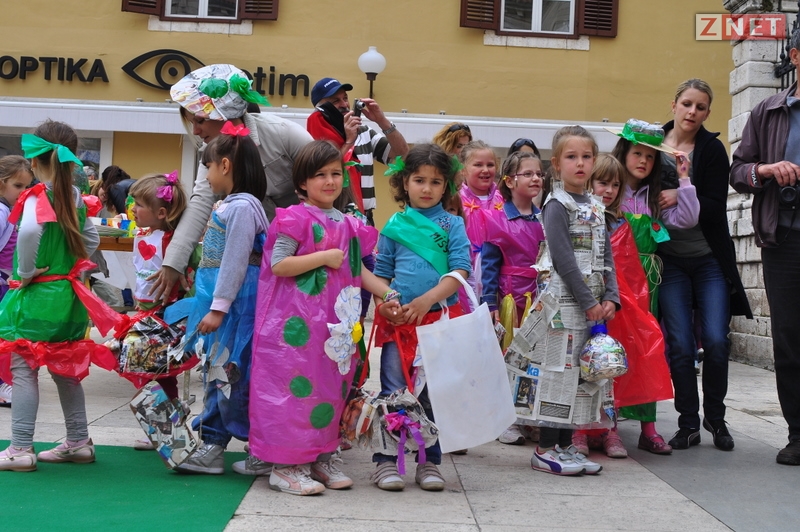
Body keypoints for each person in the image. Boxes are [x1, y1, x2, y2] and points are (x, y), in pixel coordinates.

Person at [248, 140, 396, 496]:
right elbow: (279, 264)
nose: (330, 181)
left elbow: (358, 269)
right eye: (320, 175)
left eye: (335, 174)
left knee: (331, 389)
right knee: (293, 392)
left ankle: (320, 456)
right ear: (302, 182)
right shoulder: (294, 218)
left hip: (333, 329)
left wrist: (387, 293)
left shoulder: (348, 224)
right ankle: (286, 466)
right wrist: (324, 257)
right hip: (293, 330)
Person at [0, 120, 123, 472]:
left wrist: (26, 272)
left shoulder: (38, 196)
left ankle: (20, 448)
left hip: (38, 293)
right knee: (64, 369)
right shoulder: (75, 197)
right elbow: (92, 239)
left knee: (24, 368)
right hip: (69, 296)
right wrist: (74, 266)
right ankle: (79, 441)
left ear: (34, 160)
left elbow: (28, 233)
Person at [148, 64, 312, 305]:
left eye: (200, 120)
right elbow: (200, 203)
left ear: (224, 112)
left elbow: (328, 181)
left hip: (308, 248)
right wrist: (173, 262)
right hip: (262, 259)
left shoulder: (284, 134)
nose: (195, 130)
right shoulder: (210, 154)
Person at [657, 80, 752, 452]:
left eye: (700, 107)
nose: (692, 112)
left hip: (709, 259)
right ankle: (687, 423)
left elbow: (714, 205)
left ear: (708, 113)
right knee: (680, 344)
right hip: (669, 261)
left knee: (715, 340)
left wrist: (680, 192)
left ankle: (715, 416)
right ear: (674, 105)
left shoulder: (711, 150)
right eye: (686, 104)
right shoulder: (652, 143)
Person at [369, 143, 471, 491]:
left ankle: (429, 463)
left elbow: (460, 271)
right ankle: (386, 462)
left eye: (435, 182)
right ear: (404, 183)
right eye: (419, 180)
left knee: (433, 395)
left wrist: (427, 300)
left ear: (446, 187)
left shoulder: (453, 225)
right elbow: (381, 276)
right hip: (399, 325)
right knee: (394, 392)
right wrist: (383, 305)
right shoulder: (393, 226)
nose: (427, 188)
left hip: (438, 323)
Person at [174, 121, 270, 475]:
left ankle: (252, 447)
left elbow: (235, 260)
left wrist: (219, 308)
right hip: (228, 306)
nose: (207, 175)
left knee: (231, 373)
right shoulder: (232, 205)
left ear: (225, 165)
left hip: (236, 308)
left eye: (208, 167)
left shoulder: (242, 207)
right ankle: (214, 442)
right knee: (219, 372)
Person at [729, 28, 800, 465]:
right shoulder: (768, 110)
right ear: (795, 55)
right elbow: (738, 172)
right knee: (789, 340)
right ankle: (798, 435)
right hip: (784, 238)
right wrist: (768, 170)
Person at [529, 125, 617, 476]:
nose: (579, 163)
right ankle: (545, 448)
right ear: (556, 164)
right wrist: (587, 301)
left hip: (590, 307)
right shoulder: (556, 204)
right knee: (557, 375)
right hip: (564, 306)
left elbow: (606, 255)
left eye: (586, 156)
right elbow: (563, 259)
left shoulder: (596, 205)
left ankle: (566, 446)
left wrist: (611, 297)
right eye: (571, 157)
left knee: (579, 378)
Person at [611, 118, 698, 454]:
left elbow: (687, 219)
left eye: (650, 156)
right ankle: (608, 426)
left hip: (648, 283)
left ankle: (649, 428)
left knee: (648, 350)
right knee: (613, 349)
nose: (644, 161)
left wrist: (684, 179)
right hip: (617, 281)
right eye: (637, 153)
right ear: (623, 153)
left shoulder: (655, 198)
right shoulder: (610, 193)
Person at [110, 172, 191, 450]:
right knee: (149, 371)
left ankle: (168, 425)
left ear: (161, 213)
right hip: (144, 312)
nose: (133, 208)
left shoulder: (172, 241)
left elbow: (182, 276)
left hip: (163, 314)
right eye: (132, 202)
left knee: (160, 372)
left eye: (140, 205)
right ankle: (168, 419)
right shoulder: (142, 233)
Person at [477, 151, 545, 446]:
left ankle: (528, 417)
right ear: (509, 181)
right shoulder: (496, 220)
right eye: (528, 173)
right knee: (508, 358)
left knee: (534, 361)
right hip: (510, 300)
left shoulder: (546, 219)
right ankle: (505, 420)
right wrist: (491, 303)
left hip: (539, 298)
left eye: (539, 174)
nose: (535, 178)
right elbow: (489, 266)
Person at [572, 155, 631, 459]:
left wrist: (612, 298)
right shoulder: (577, 214)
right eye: (602, 182)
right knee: (581, 368)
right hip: (580, 301)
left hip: (608, 306)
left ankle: (610, 430)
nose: (608, 190)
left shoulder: (620, 221)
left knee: (607, 367)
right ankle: (580, 430)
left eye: (615, 185)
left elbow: (613, 266)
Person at [309, 77, 409, 224]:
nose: (344, 104)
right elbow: (327, 172)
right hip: (329, 218)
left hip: (364, 218)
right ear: (321, 108)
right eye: (335, 101)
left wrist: (382, 121)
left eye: (345, 98)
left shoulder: (363, 131)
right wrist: (349, 141)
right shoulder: (312, 136)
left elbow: (402, 154)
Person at [0, 156, 34, 407]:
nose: (23, 192)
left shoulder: (9, 211)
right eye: (17, 185)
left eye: (27, 186)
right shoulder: (2, 212)